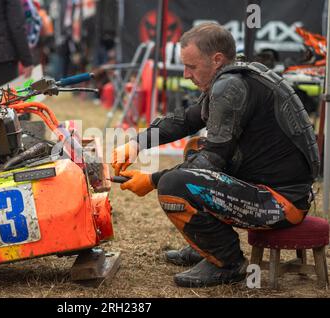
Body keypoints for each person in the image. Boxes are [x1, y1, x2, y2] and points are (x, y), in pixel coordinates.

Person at [112, 23, 320, 288]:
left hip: (280, 203)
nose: (186, 74)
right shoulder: (234, 77)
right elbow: (187, 119)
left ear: (217, 59)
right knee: (194, 148)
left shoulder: (230, 86)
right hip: (278, 188)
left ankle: (226, 261)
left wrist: (152, 180)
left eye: (191, 66)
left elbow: (214, 159)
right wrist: (137, 143)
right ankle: (205, 243)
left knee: (174, 185)